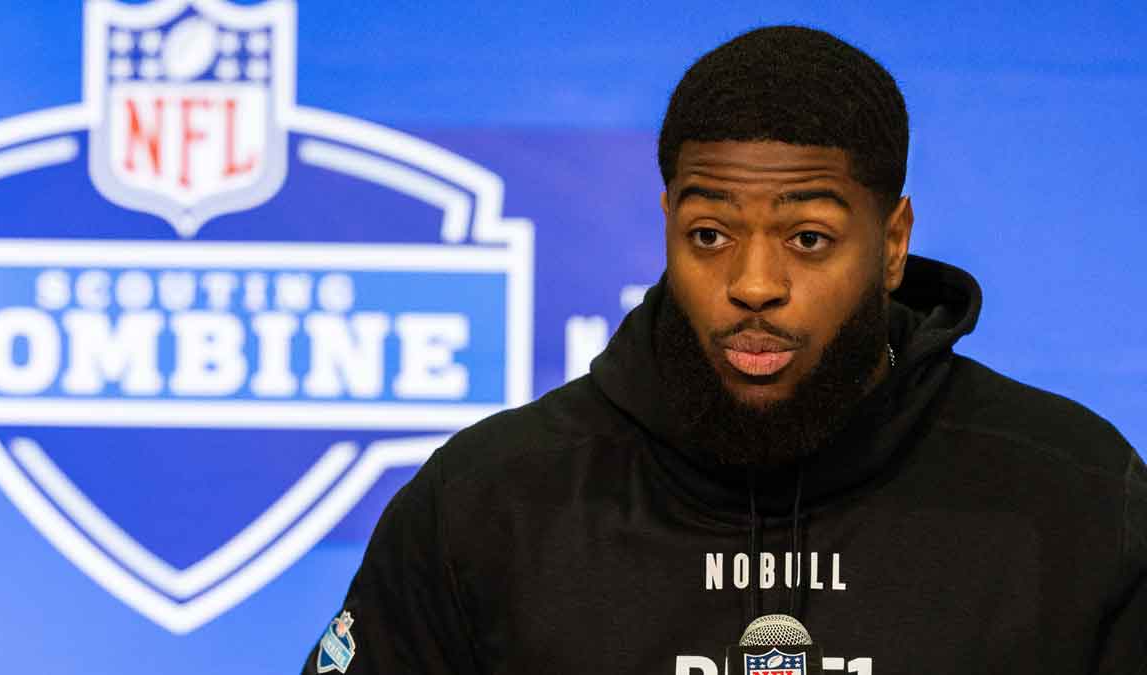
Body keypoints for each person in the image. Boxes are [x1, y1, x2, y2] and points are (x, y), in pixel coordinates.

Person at [303, 25, 1145, 674]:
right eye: (709, 233)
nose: (752, 283)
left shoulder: (1075, 500)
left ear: (892, 244)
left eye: (808, 239)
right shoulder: (488, 505)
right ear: (666, 220)